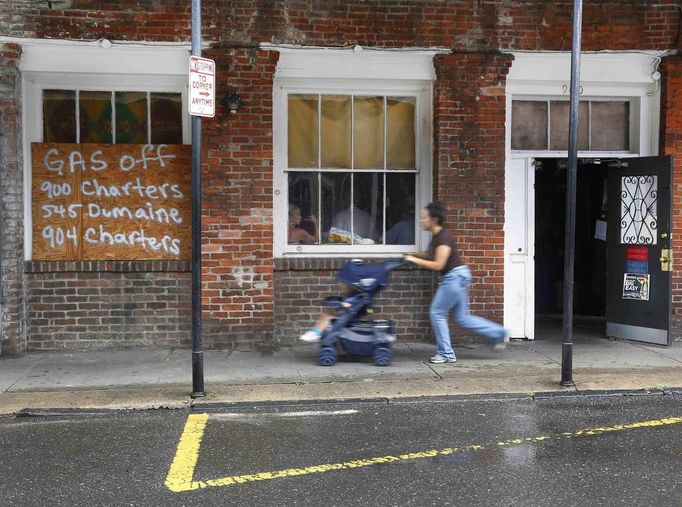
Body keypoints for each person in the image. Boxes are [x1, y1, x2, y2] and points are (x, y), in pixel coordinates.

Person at [403, 201, 507, 364]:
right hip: (458, 276)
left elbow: (438, 264)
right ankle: (499, 332)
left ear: (434, 219)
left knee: (437, 313)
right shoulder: (438, 236)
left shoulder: (443, 237)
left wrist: (413, 260)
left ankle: (446, 353)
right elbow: (430, 253)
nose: (421, 221)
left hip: (454, 278)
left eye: (424, 218)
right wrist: (411, 254)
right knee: (462, 318)